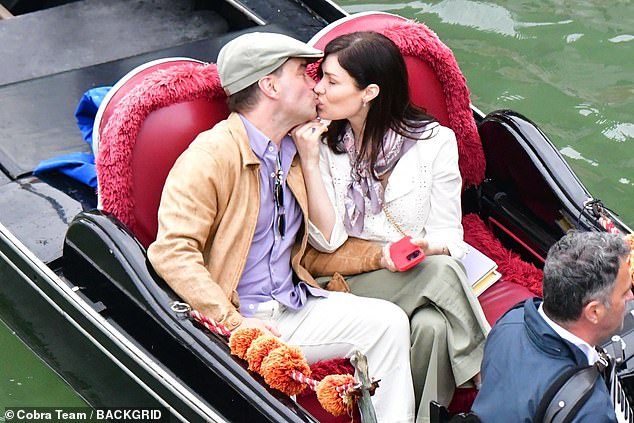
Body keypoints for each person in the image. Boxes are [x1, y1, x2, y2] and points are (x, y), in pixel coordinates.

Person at [146, 32, 416, 422]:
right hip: (241, 319)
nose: (315, 83)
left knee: (389, 322)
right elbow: (173, 251)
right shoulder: (209, 156)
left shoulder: (296, 150)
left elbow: (309, 249)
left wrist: (379, 255)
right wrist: (234, 323)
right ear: (270, 85)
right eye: (302, 73)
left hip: (295, 304)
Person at [292, 31, 490, 422]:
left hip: (414, 273)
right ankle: (494, 377)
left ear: (369, 92)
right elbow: (327, 242)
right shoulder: (321, 144)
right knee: (445, 273)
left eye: (332, 81)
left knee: (432, 327)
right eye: (320, 77)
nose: (318, 88)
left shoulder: (435, 143)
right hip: (349, 280)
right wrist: (311, 163)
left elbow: (451, 238)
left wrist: (424, 247)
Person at [471, 231, 633, 422]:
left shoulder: (510, 322)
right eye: (624, 293)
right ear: (594, 312)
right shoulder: (591, 411)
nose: (631, 297)